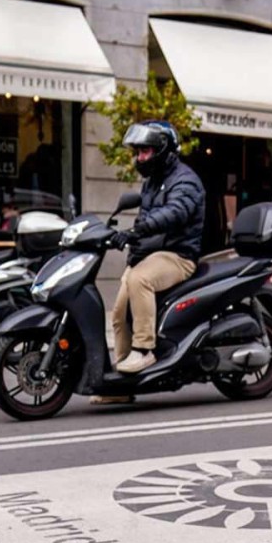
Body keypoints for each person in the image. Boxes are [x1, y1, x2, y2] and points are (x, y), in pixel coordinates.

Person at [105, 121, 205, 384]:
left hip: (178, 255)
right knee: (118, 313)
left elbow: (176, 211)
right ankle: (121, 381)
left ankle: (144, 350)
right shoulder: (152, 181)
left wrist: (142, 228)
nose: (140, 157)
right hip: (152, 254)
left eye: (145, 151)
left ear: (164, 150)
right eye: (138, 152)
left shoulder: (185, 180)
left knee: (140, 279)